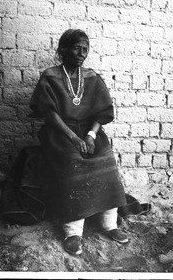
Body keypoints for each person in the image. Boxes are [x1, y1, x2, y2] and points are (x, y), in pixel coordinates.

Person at [28, 29, 129, 255]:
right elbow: (49, 114)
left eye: (85, 49)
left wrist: (90, 136)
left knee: (107, 161)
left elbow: (101, 114)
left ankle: (109, 224)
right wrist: (73, 138)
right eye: (77, 48)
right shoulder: (50, 75)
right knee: (73, 163)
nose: (82, 53)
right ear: (63, 50)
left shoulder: (92, 77)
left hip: (88, 133)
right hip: (60, 133)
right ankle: (73, 231)